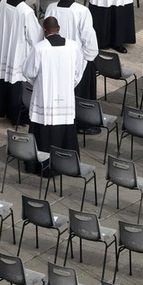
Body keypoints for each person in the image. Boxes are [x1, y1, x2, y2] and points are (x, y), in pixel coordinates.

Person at [23, 16, 85, 172]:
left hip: (45, 99)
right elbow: (78, 72)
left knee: (43, 131)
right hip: (65, 99)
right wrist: (69, 86)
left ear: (44, 30)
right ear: (59, 28)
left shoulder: (40, 48)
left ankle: (41, 166)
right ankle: (67, 164)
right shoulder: (73, 46)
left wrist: (37, 85)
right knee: (65, 130)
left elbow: (28, 72)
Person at [0, 0, 43, 126]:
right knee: (16, 85)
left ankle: (2, 110)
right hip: (17, 52)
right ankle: (16, 117)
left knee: (4, 79)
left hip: (4, 47)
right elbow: (34, 36)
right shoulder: (26, 11)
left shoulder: (5, 0)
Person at [44, 0, 99, 100]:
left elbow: (46, 32)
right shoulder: (82, 11)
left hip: (54, 57)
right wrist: (86, 59)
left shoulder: (51, 8)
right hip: (76, 59)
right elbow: (89, 38)